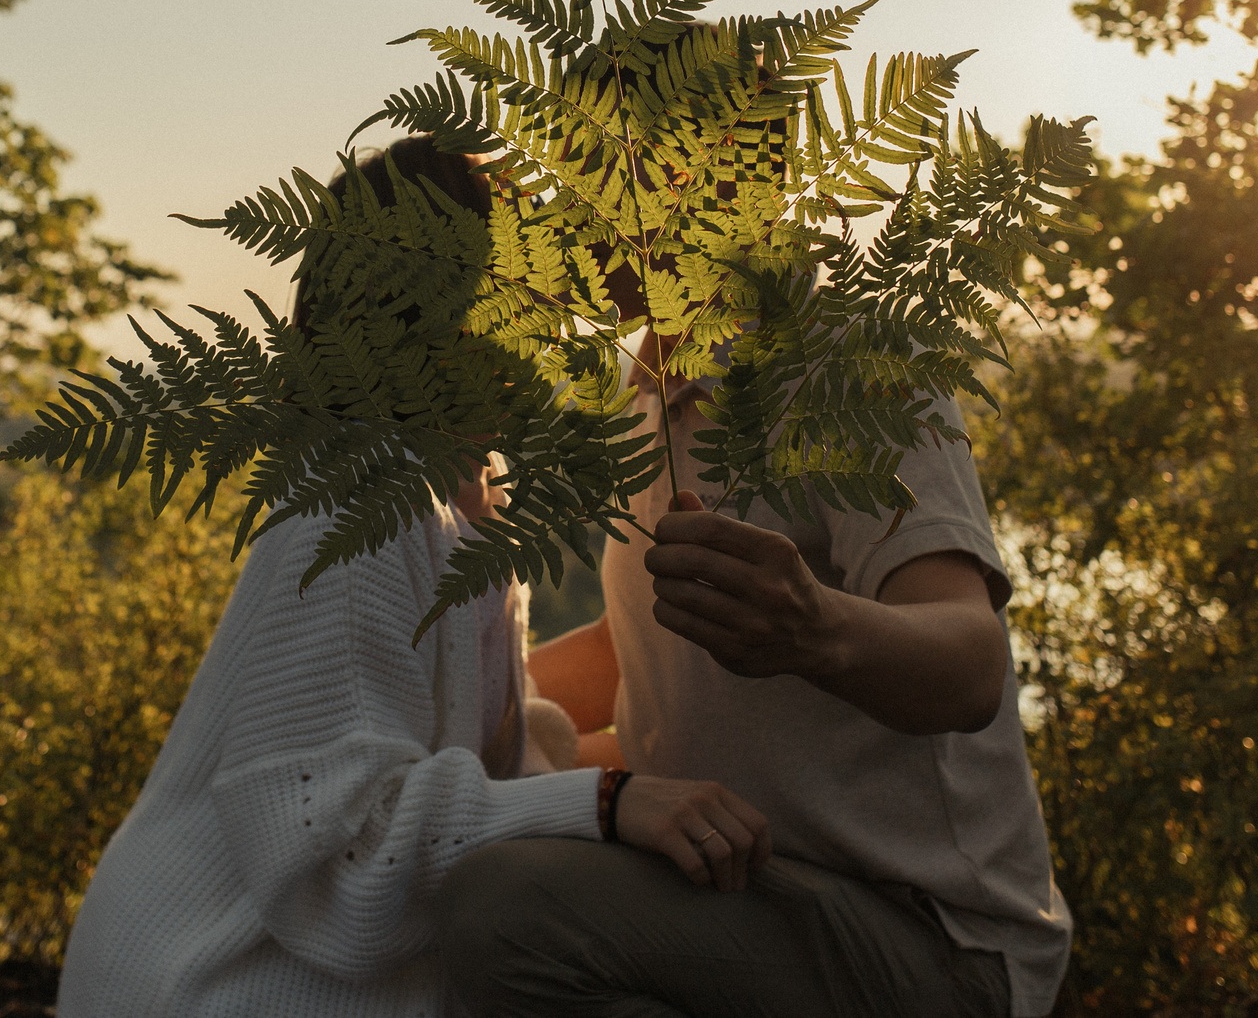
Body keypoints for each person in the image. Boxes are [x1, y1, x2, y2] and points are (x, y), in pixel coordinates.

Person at [56, 139, 775, 1018]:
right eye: (524, 273)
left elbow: (466, 746)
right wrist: (609, 802)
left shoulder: (462, 502)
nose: (560, 300)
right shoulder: (356, 501)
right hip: (212, 977)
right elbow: (337, 836)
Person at [434, 312, 1071, 1018]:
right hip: (746, 885)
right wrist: (435, 718)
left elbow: (972, 664)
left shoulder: (846, 355)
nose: (552, 205)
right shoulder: (649, 393)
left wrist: (816, 629)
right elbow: (635, 651)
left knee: (503, 910)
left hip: (931, 935)